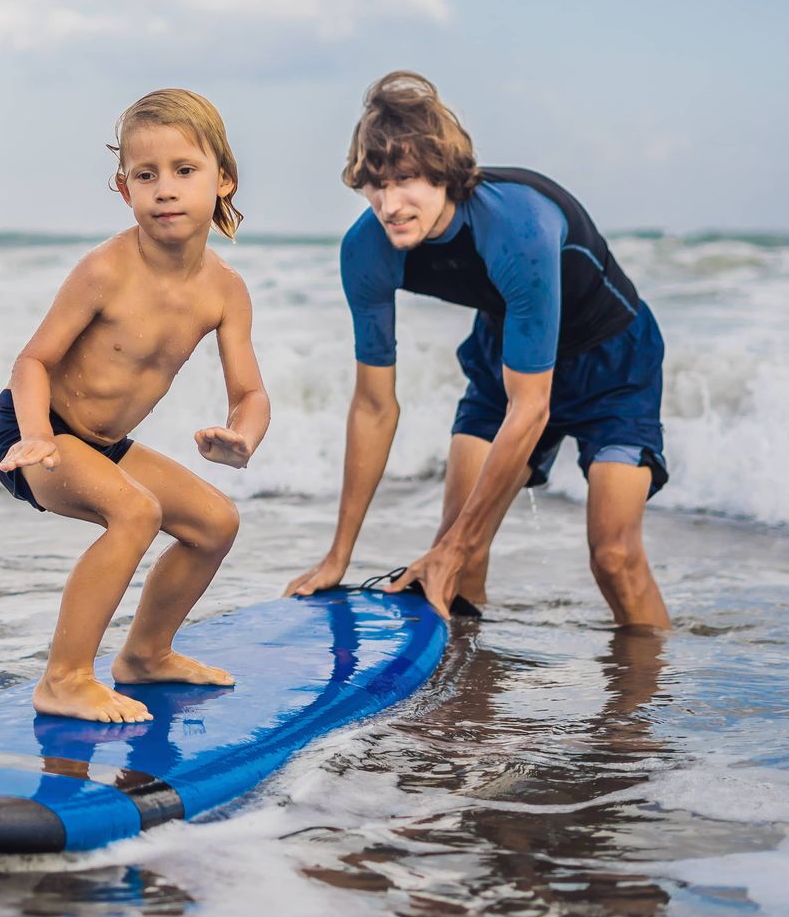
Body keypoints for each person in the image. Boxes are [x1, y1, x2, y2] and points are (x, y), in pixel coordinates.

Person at [285, 71, 670, 630]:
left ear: (444, 172)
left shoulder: (516, 226)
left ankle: (646, 702)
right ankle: (472, 698)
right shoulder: (366, 252)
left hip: (611, 363)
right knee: (458, 555)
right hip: (505, 352)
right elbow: (373, 406)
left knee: (614, 558)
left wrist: (453, 548)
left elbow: (532, 408)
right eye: (375, 183)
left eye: (407, 179)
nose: (389, 203)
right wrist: (337, 556)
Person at [0, 89, 271, 723]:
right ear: (124, 189)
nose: (165, 189)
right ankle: (62, 679)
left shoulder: (225, 290)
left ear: (223, 179)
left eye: (184, 171)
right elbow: (32, 362)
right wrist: (36, 436)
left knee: (215, 524)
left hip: (103, 443)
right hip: (34, 427)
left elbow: (250, 392)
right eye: (147, 176)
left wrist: (242, 436)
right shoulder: (105, 270)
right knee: (135, 513)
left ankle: (145, 654)